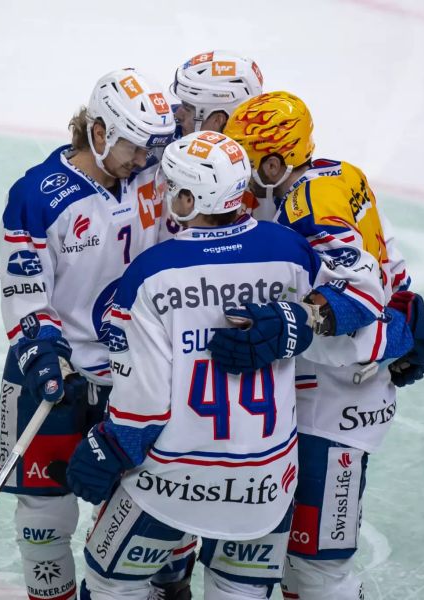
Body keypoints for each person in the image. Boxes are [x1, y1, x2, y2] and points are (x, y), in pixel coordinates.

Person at [60, 131, 324, 599]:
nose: (162, 194)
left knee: (109, 584)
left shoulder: (153, 271)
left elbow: (142, 403)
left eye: (170, 186)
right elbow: (351, 305)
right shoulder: (292, 252)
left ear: (189, 197)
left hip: (173, 482)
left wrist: (107, 447)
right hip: (265, 486)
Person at [209, 92, 424, 599]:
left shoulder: (305, 209)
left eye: (247, 163)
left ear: (275, 162)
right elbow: (393, 274)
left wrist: (393, 336)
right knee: (271, 561)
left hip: (333, 409)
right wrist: (407, 317)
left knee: (316, 568)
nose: (239, 179)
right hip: (310, 404)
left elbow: (354, 309)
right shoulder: (345, 175)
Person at [0, 67, 176, 600]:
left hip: (136, 377)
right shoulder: (36, 196)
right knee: (43, 516)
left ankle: (171, 591)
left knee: (153, 507)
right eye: (133, 146)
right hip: (62, 372)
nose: (143, 160)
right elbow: (27, 297)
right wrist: (43, 355)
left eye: (152, 148)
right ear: (97, 133)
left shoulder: (157, 174)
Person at [168, 50, 269, 223]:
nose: (177, 114)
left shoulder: (266, 165)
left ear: (218, 120)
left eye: (187, 107)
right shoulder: (163, 134)